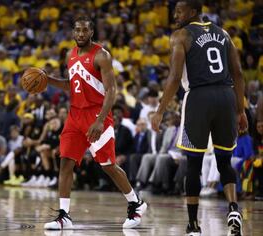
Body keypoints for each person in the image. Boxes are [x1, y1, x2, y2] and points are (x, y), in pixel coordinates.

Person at [151, 1, 247, 235]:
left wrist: (160, 110)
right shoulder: (223, 33)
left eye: (179, 11)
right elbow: (238, 73)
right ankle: (233, 207)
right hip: (226, 97)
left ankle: (193, 224)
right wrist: (241, 109)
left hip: (199, 99)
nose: (175, 16)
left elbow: (174, 78)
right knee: (225, 159)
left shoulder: (181, 35)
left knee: (193, 163)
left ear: (193, 12)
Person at [43, 16, 147, 230]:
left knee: (108, 165)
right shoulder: (70, 55)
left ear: (91, 33)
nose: (81, 34)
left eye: (85, 31)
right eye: (77, 30)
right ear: (73, 32)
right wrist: (49, 80)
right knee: (66, 162)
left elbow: (111, 91)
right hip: (75, 115)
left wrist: (100, 121)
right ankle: (64, 215)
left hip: (97, 115)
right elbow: (73, 86)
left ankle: (135, 203)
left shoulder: (102, 55)